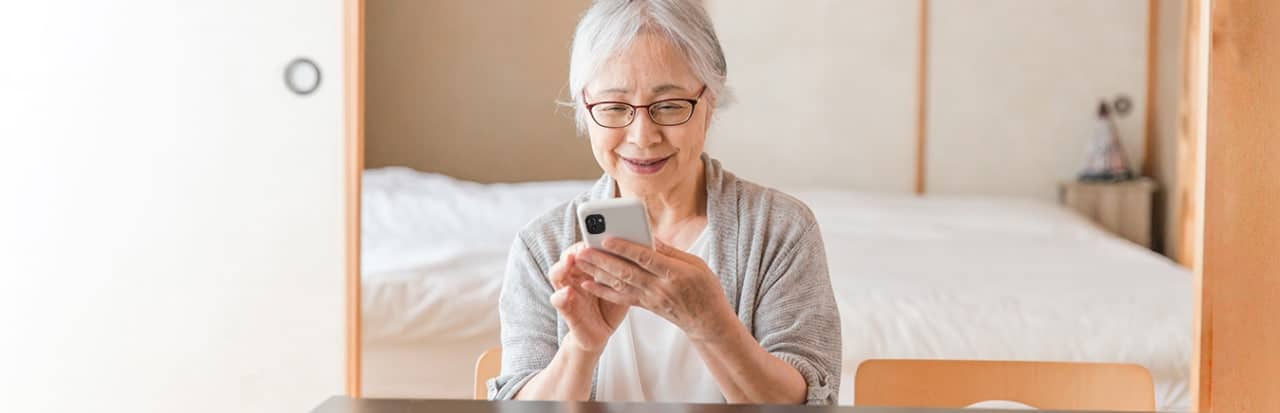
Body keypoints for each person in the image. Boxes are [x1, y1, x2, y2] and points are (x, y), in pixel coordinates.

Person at [488, 0, 841, 405]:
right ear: (585, 108)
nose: (643, 136)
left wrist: (710, 324)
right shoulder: (543, 247)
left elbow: (812, 402)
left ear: (710, 100)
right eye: (615, 107)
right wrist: (581, 347)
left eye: (670, 106)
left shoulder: (780, 231)